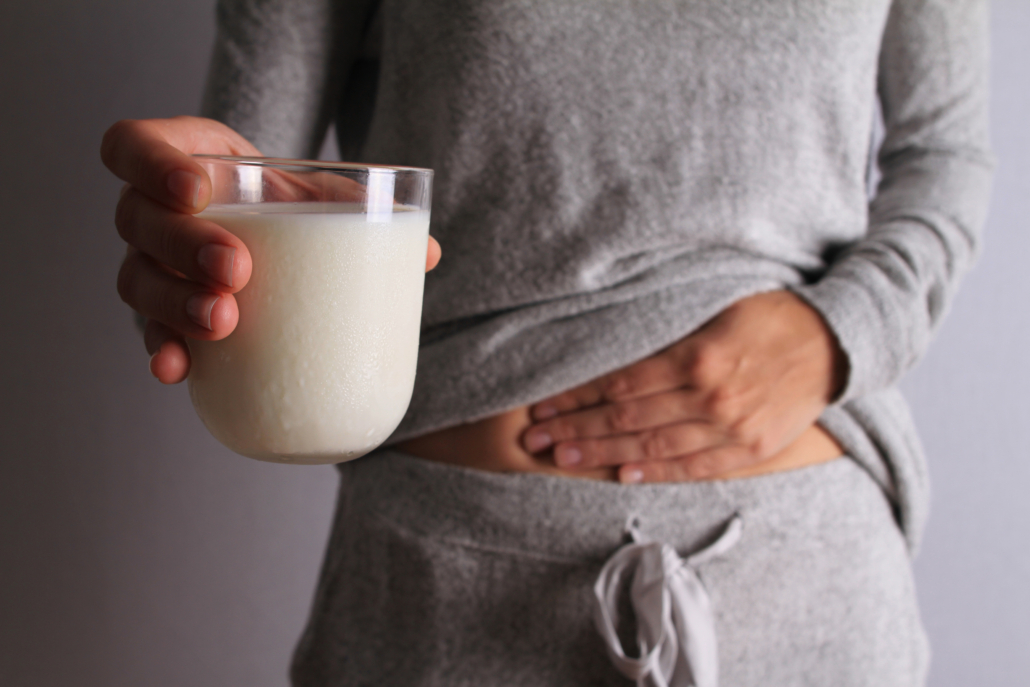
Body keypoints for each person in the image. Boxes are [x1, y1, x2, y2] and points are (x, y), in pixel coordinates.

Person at [101, 1, 993, 685]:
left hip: (812, 599)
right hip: (440, 596)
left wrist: (841, 335)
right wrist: (203, 233)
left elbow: (946, 152)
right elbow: (261, 182)